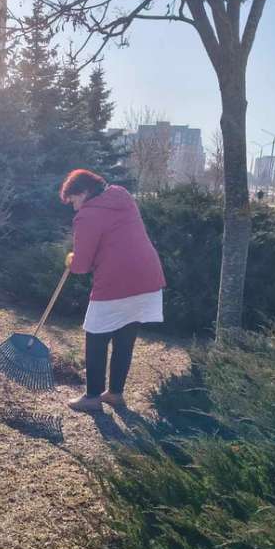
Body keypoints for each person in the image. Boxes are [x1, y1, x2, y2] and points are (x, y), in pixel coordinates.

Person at [60, 169, 165, 413]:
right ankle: (115, 393)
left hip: (117, 281)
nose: (75, 208)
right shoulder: (122, 195)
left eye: (74, 201)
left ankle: (93, 397)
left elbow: (82, 265)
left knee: (95, 335)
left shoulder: (88, 215)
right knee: (124, 337)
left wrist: (72, 260)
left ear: (84, 192)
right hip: (147, 277)